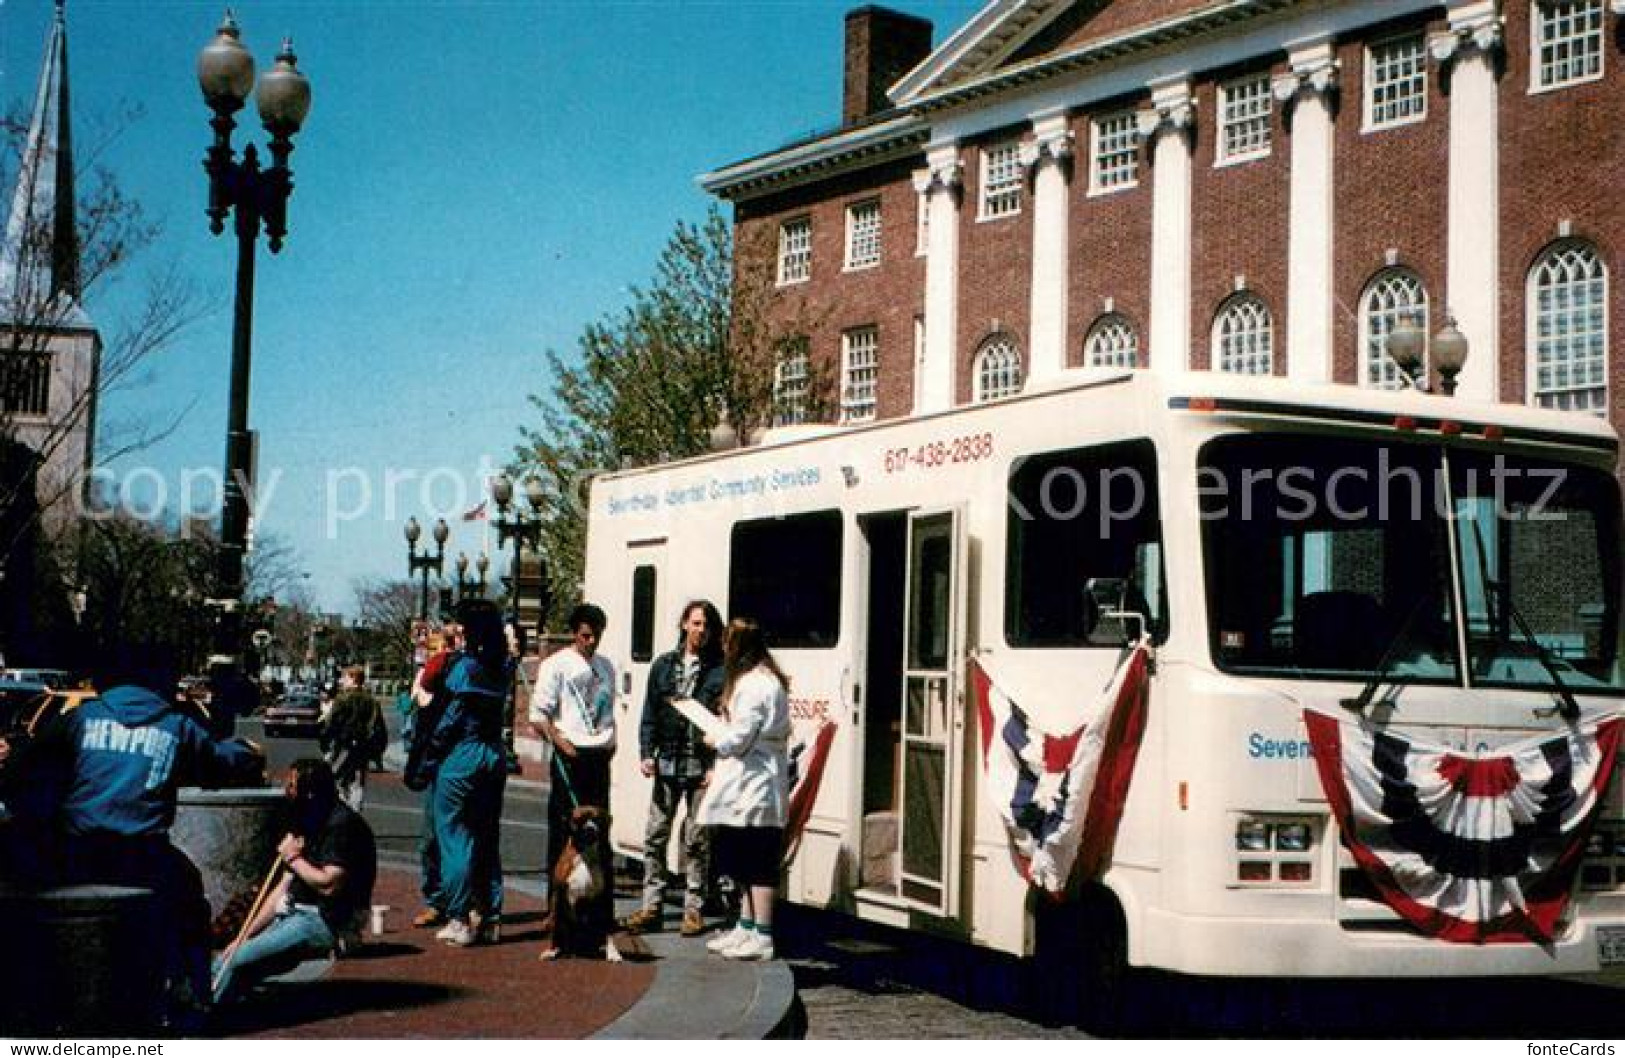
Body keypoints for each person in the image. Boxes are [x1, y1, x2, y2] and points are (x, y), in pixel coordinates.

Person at [23, 648, 263, 1024]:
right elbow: (217, 766)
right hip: (142, 853)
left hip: (77, 849)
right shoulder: (175, 726)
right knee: (190, 908)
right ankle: (194, 997)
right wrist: (245, 752)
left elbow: (28, 768)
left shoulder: (81, 718)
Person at [212, 758, 377, 1006]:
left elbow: (329, 884)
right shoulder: (307, 820)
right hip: (294, 912)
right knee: (225, 960)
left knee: (237, 962)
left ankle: (204, 1018)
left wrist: (293, 857)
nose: (286, 790)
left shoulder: (342, 826)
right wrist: (245, 934)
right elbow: (282, 888)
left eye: (292, 785)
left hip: (324, 919)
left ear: (309, 792)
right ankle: (213, 1007)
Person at [623, 600, 724, 937]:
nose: (700, 631)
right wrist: (645, 752)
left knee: (697, 839)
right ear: (684, 624)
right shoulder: (663, 666)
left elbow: (724, 720)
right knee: (655, 836)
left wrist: (716, 764)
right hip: (667, 760)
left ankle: (693, 908)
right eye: (695, 623)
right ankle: (651, 905)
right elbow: (649, 712)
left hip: (700, 764)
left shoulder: (719, 671)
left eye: (706, 625)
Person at [698, 618, 791, 962]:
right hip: (750, 782)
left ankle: (762, 934)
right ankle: (747, 926)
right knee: (743, 855)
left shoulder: (754, 685)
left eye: (727, 643)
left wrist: (714, 738)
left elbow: (739, 739)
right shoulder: (758, 681)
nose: (723, 649)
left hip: (757, 783)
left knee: (758, 858)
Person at [422, 599, 512, 946]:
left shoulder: (465, 669)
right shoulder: (502, 666)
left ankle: (458, 917)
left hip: (462, 754)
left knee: (454, 835)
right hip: (493, 753)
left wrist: (432, 753)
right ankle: (489, 914)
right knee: (487, 837)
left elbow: (448, 720)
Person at [529, 602, 616, 935]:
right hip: (570, 755)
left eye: (596, 636)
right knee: (566, 832)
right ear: (575, 633)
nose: (591, 642)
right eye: (585, 636)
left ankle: (598, 911)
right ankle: (556, 909)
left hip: (599, 755)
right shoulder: (556, 665)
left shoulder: (606, 666)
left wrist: (611, 743)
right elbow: (540, 715)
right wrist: (559, 741)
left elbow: (609, 710)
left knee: (600, 833)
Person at [407, 620, 461, 929]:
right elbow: (422, 695)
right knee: (431, 838)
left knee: (458, 837)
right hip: (438, 765)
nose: (447, 647)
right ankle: (436, 899)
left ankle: (461, 902)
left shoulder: (469, 669)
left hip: (458, 762)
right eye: (443, 642)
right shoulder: (433, 671)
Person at [320, 666, 383, 810]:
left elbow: (331, 723)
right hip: (363, 746)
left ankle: (342, 810)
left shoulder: (342, 699)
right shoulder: (372, 701)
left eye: (345, 677)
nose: (342, 681)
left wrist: (325, 743)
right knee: (358, 780)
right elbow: (378, 726)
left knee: (336, 777)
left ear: (353, 678)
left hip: (342, 745)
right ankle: (355, 810)